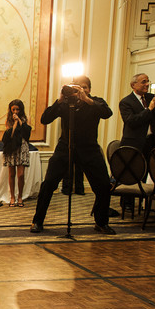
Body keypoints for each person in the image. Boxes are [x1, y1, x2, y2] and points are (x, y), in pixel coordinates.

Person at [30, 75, 115, 235]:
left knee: (103, 186)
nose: (80, 91)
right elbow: (45, 119)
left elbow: (107, 113)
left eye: (84, 88)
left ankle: (101, 222)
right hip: (65, 148)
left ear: (89, 90)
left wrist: (86, 99)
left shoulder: (95, 102)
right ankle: (37, 221)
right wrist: (60, 99)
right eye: (76, 87)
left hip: (89, 150)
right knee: (48, 184)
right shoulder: (66, 104)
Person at [119, 73, 155, 159]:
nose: (147, 84)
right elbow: (132, 121)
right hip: (134, 143)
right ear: (133, 85)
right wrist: (149, 109)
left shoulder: (151, 97)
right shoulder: (126, 102)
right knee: (136, 170)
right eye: (143, 82)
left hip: (151, 142)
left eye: (148, 81)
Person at [1, 99, 31, 207]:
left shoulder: (26, 119)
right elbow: (10, 135)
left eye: (17, 109)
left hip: (22, 146)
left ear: (21, 109)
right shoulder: (8, 120)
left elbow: (27, 133)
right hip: (12, 148)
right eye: (13, 109)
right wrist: (14, 123)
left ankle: (20, 197)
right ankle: (12, 197)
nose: (15, 111)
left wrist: (20, 121)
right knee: (11, 174)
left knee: (21, 174)